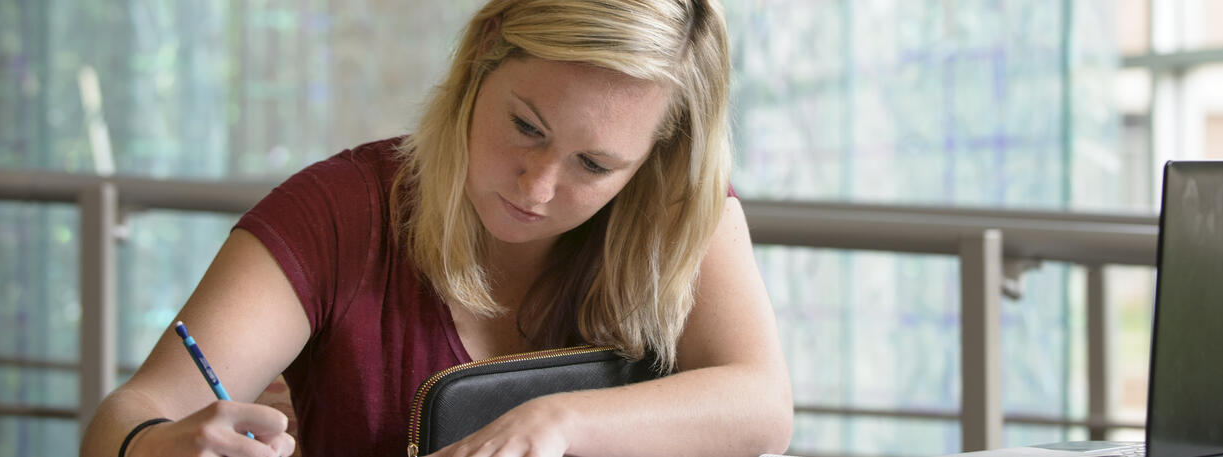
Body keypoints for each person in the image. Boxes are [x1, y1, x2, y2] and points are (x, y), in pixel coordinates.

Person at [78, 0, 793, 455]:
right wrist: (157, 446)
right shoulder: (339, 214)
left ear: (650, 162)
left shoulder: (669, 201)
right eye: (525, 126)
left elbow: (763, 404)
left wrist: (554, 423)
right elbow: (125, 417)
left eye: (595, 164)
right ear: (482, 53)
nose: (538, 187)